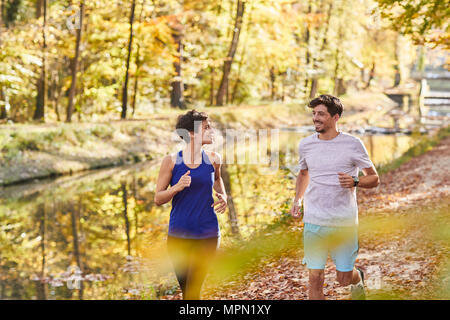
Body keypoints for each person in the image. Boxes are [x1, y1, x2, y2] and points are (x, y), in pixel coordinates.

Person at [290, 94, 380, 300]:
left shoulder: (353, 144)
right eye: (314, 114)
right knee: (315, 277)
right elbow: (304, 173)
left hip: (344, 222)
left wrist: (355, 181)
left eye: (321, 114)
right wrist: (297, 200)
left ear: (335, 117)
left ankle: (358, 279)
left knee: (344, 279)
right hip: (314, 220)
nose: (316, 118)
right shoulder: (306, 145)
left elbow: (374, 179)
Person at [154, 109, 227, 300]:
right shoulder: (171, 162)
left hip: (208, 233)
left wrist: (223, 195)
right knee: (188, 290)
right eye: (206, 127)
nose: (212, 131)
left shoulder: (214, 158)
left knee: (194, 289)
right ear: (192, 133)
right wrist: (176, 188)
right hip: (179, 235)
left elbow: (218, 180)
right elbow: (158, 199)